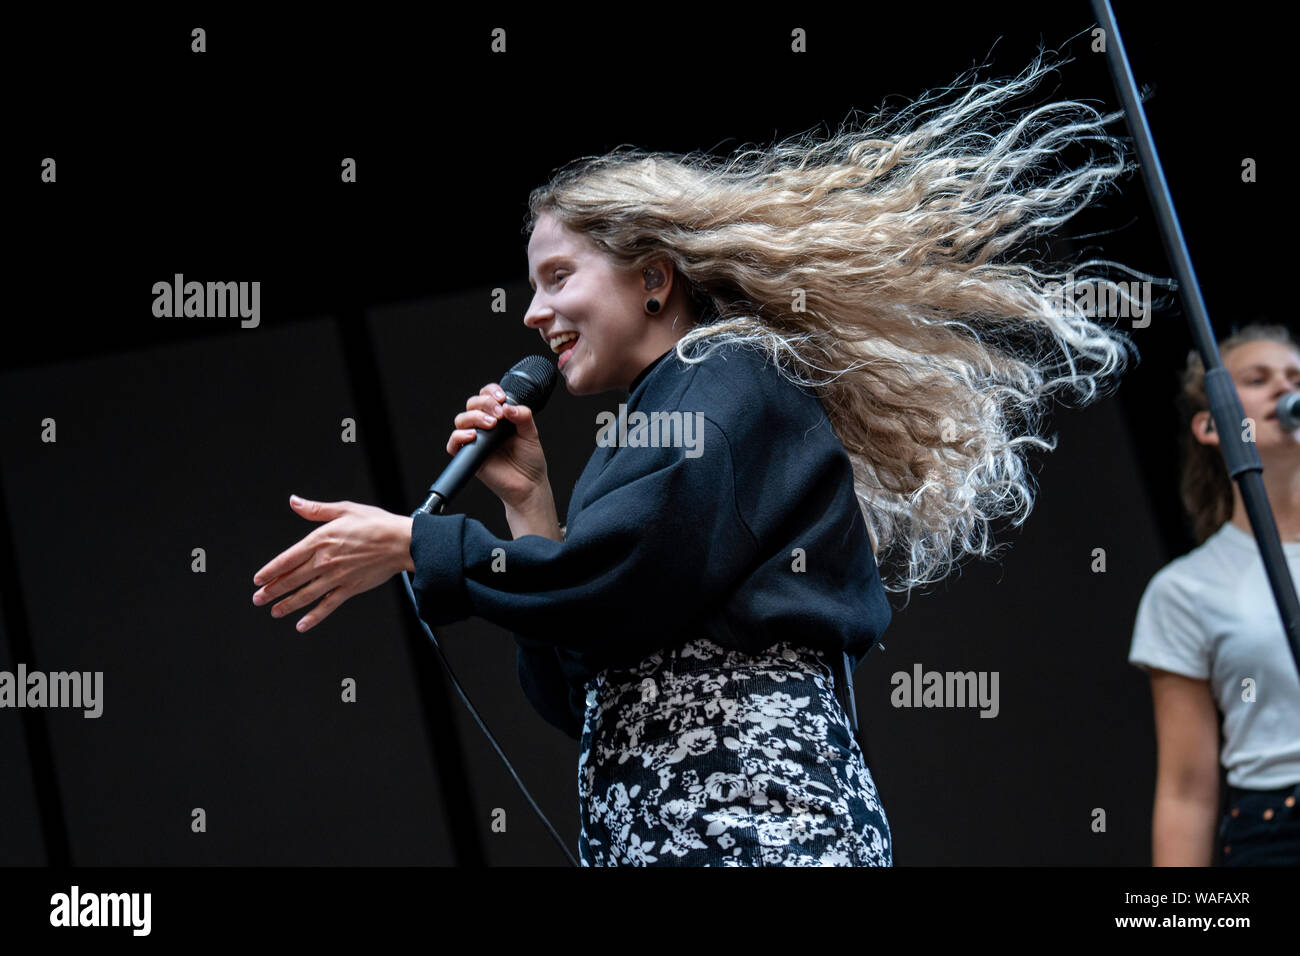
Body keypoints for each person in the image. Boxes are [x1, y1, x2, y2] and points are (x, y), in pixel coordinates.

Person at [251, 52, 1141, 865]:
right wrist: (530, 506)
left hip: (759, 824)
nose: (532, 310)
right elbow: (581, 689)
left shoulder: (725, 377)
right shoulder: (660, 414)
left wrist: (420, 545)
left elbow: (629, 571)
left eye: (558, 276)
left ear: (653, 277)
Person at [1129, 323, 1300, 867]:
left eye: (1296, 377)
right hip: (1277, 828)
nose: (1284, 388)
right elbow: (1186, 792)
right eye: (1257, 378)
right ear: (1210, 424)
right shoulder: (1185, 590)